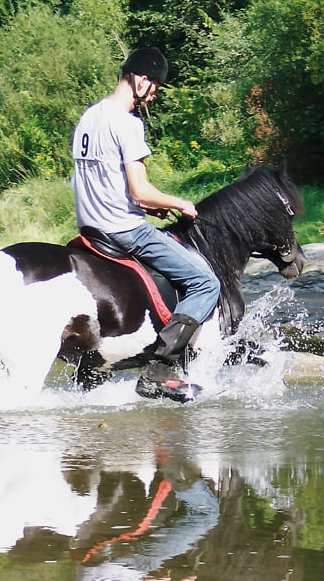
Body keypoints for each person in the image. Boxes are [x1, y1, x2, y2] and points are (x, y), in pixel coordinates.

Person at [71, 47, 220, 402]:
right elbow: (141, 189)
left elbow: (100, 181)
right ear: (140, 78)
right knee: (205, 282)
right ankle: (161, 368)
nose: (154, 95)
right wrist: (178, 203)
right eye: (154, 86)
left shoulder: (88, 117)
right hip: (123, 230)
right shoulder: (127, 122)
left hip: (90, 228)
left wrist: (143, 205)